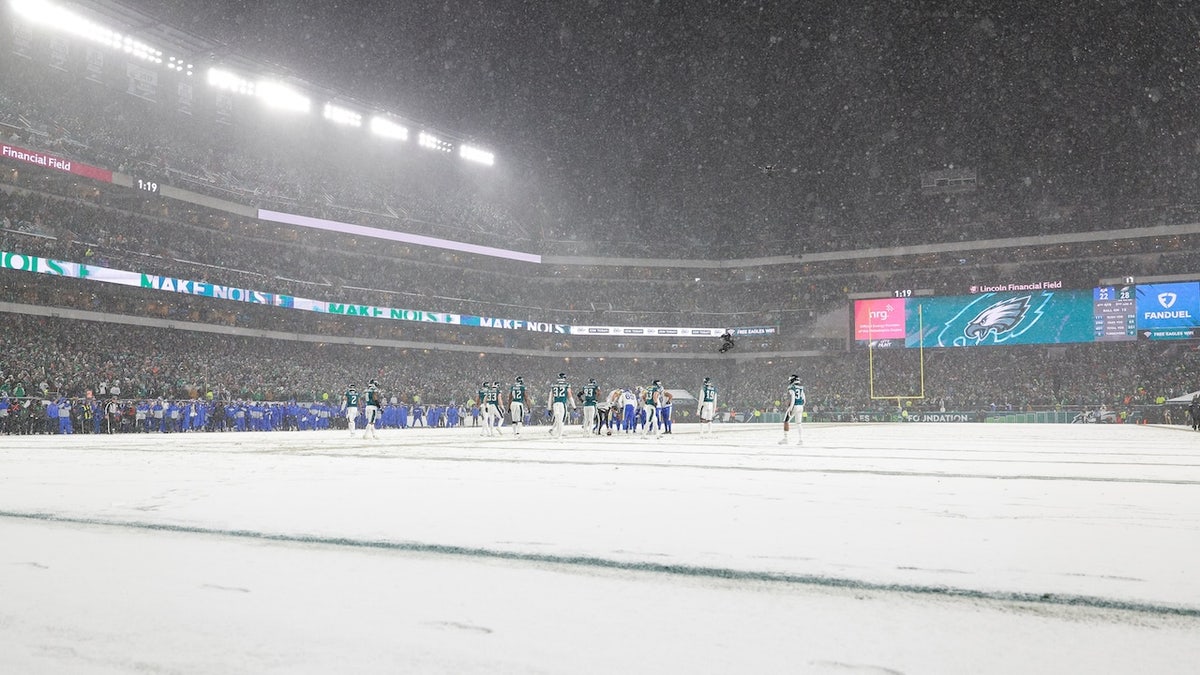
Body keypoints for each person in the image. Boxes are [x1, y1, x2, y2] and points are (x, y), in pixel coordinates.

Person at [546, 372, 576, 440]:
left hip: (555, 403)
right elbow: (570, 396)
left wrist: (549, 408)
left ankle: (556, 431)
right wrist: (574, 406)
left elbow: (550, 397)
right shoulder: (567, 385)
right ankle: (559, 434)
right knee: (562, 420)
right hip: (562, 404)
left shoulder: (553, 385)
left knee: (558, 419)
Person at [780, 374, 806, 445]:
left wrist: (790, 408)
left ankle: (785, 439)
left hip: (794, 406)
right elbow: (804, 399)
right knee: (799, 423)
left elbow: (793, 398)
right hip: (801, 406)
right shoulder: (801, 387)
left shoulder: (792, 387)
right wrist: (801, 405)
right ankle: (801, 440)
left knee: (786, 421)